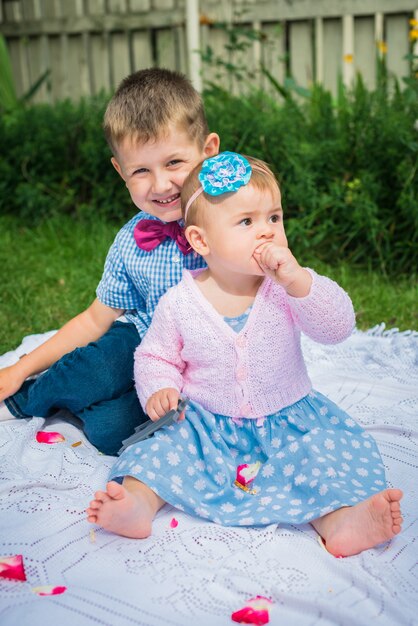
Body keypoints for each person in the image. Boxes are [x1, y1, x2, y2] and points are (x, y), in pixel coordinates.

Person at [87, 152, 403, 557]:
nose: (267, 232)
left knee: (318, 456)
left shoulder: (285, 288)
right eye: (247, 222)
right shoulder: (180, 302)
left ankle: (339, 521)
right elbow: (155, 357)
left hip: (287, 422)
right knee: (162, 451)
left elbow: (337, 328)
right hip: (206, 426)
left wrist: (300, 282)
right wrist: (159, 389)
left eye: (274, 217)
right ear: (201, 240)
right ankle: (137, 505)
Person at [0, 68, 220, 455]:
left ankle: (81, 405)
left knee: (107, 431)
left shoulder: (232, 221)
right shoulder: (132, 241)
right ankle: (24, 398)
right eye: (141, 170)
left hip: (208, 361)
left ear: (208, 151)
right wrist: (20, 368)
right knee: (96, 367)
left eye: (174, 163)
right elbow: (94, 319)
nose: (161, 185)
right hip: (143, 339)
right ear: (120, 171)